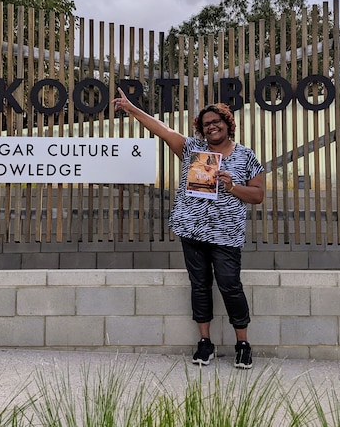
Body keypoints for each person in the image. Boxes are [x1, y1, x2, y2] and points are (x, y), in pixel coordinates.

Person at [113, 88, 265, 369]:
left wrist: (232, 187)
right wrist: (132, 109)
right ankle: (205, 343)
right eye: (206, 124)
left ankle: (242, 344)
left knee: (230, 286)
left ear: (228, 124)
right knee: (200, 286)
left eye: (216, 122)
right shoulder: (192, 151)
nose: (211, 126)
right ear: (201, 129)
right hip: (192, 230)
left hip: (226, 234)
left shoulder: (245, 157)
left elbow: (258, 195)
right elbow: (162, 129)